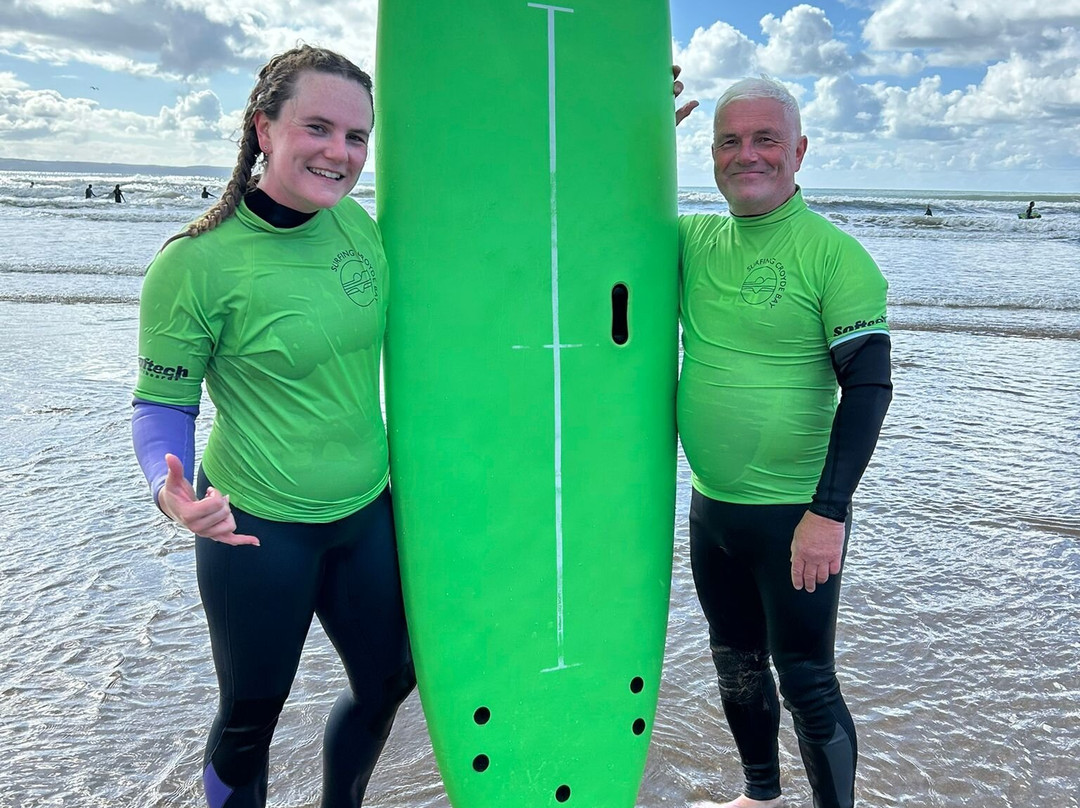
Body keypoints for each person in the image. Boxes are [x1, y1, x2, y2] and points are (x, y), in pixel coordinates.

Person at [131, 45, 414, 808]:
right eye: (317, 127)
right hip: (255, 530)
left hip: (366, 512)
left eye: (357, 137)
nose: (340, 152)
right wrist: (172, 492)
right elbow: (163, 404)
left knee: (391, 680)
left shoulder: (362, 230)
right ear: (264, 128)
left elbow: (503, 227)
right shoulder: (194, 264)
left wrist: (615, 121)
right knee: (252, 719)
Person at [675, 76, 892, 808]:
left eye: (766, 139)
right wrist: (628, 130)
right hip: (714, 509)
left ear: (799, 151)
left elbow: (868, 390)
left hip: (798, 514)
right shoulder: (691, 241)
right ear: (710, 154)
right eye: (730, 141)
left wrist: (829, 513)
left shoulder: (835, 256)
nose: (747, 155)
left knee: (806, 677)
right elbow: (591, 219)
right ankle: (761, 796)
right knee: (734, 663)